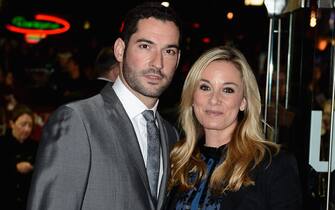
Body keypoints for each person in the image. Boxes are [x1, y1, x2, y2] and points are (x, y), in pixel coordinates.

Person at [27, 2, 182, 210]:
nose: (158, 63)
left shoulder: (171, 135)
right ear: (120, 50)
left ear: (178, 59)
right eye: (145, 46)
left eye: (169, 51)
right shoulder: (78, 121)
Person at [165, 46, 302, 210]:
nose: (214, 99)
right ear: (192, 97)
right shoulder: (178, 160)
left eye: (227, 90)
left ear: (243, 101)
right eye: (205, 87)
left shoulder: (273, 165)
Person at [0, 104, 38, 210]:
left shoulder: (35, 146)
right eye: (23, 124)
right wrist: (15, 168)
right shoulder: (2, 143)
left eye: (30, 125)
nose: (27, 129)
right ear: (12, 123)